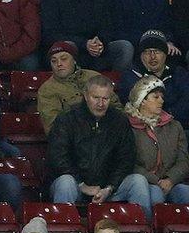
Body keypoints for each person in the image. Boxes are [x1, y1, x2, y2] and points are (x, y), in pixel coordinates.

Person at [48, 74, 148, 207]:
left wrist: (109, 187)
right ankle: (64, 225)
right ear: (85, 95)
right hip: (75, 184)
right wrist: (81, 185)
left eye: (105, 99)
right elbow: (58, 158)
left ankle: (142, 227)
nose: (101, 104)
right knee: (66, 182)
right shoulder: (67, 119)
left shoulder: (120, 121)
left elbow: (126, 159)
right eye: (95, 98)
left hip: (108, 188)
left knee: (138, 181)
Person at [127, 73, 189, 208]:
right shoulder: (127, 127)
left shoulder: (175, 126)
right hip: (147, 183)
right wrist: (157, 181)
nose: (161, 100)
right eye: (155, 97)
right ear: (142, 100)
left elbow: (184, 160)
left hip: (173, 182)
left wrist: (171, 179)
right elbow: (129, 162)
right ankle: (152, 228)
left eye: (162, 97)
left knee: (186, 193)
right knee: (156, 195)